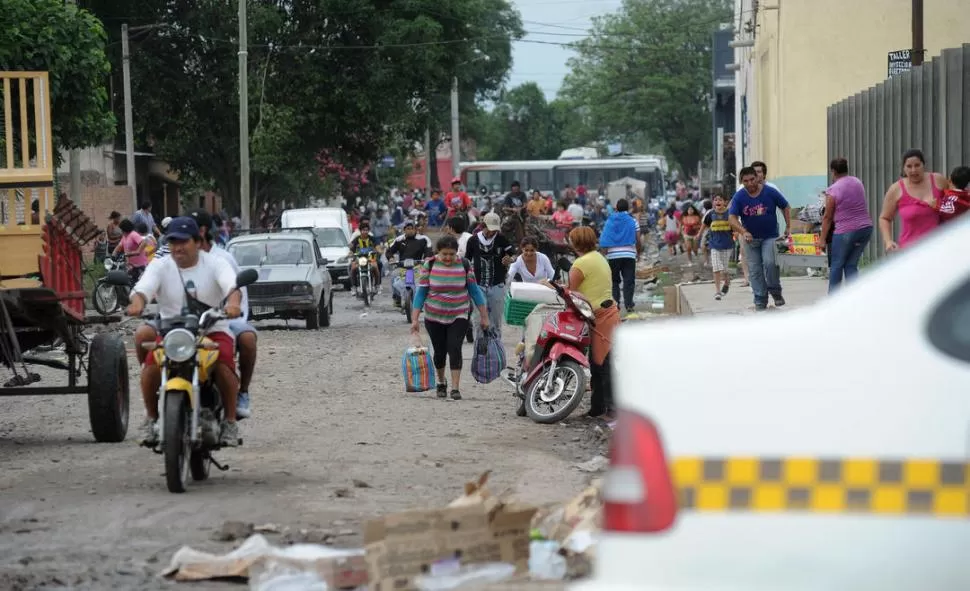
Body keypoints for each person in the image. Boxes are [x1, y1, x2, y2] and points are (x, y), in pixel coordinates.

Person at [128, 217, 243, 446]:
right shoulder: (160, 265)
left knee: (224, 365)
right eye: (172, 242)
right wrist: (137, 303)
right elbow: (143, 289)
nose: (177, 247)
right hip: (173, 332)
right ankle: (151, 418)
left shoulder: (215, 264)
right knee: (151, 366)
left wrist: (233, 304)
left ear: (198, 242)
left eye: (183, 241)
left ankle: (230, 422)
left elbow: (232, 286)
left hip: (211, 329)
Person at [187, 208, 259, 419]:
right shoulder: (177, 258)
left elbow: (236, 292)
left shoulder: (223, 259)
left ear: (203, 231)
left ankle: (242, 392)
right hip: (185, 321)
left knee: (246, 338)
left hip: (222, 320)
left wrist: (232, 311)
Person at [410, 235, 489, 401]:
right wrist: (415, 319)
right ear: (438, 252)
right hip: (433, 315)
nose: (448, 258)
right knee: (439, 352)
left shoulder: (465, 265)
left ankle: (455, 388)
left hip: (459, 313)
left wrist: (484, 316)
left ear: (456, 253)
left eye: (451, 254)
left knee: (454, 347)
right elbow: (421, 293)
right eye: (444, 254)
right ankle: (441, 382)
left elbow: (475, 291)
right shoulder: (430, 264)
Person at [563, 226, 619, 419]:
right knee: (599, 363)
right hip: (608, 313)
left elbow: (570, 291)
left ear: (575, 243)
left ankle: (610, 408)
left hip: (599, 317)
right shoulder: (598, 257)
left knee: (603, 364)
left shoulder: (579, 264)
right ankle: (599, 407)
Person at [728, 166, 791, 311]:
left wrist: (788, 226)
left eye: (752, 179)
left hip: (770, 236)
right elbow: (732, 218)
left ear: (757, 178)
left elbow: (785, 206)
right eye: (746, 181)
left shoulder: (770, 192)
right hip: (750, 239)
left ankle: (775, 292)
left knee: (770, 263)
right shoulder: (739, 196)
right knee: (755, 270)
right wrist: (743, 231)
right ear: (741, 182)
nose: (750, 183)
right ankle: (760, 300)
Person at [878, 148, 949, 251]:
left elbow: (954, 205)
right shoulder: (896, 189)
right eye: (909, 166)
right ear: (903, 168)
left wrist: (940, 206)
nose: (913, 170)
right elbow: (884, 218)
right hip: (910, 251)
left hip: (939, 247)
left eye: (917, 165)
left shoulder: (938, 180)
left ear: (923, 165)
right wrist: (888, 241)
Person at [820, 158, 873, 293]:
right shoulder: (857, 182)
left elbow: (827, 217)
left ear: (833, 171)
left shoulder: (833, 189)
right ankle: (855, 298)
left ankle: (833, 300)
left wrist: (822, 239)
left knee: (837, 264)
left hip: (846, 231)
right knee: (850, 264)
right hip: (865, 229)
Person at [465, 212, 514, 339]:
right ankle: (480, 348)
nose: (492, 233)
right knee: (479, 318)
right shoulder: (473, 241)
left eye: (494, 230)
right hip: (478, 286)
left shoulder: (502, 239)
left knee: (496, 319)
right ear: (483, 225)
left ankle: (496, 345)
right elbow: (466, 261)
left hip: (497, 284)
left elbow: (513, 255)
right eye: (489, 229)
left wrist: (510, 259)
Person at [599, 198, 640, 317]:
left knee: (614, 281)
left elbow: (605, 237)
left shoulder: (609, 221)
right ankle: (629, 304)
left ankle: (616, 304)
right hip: (629, 255)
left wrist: (605, 253)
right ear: (628, 208)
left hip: (613, 256)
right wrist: (638, 251)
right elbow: (638, 238)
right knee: (629, 280)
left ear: (616, 208)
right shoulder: (633, 221)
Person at [386, 220, 432, 307]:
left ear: (415, 229)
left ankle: (424, 300)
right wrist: (391, 258)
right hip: (402, 266)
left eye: (412, 228)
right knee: (393, 276)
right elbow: (389, 251)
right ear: (404, 230)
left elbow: (428, 250)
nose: (410, 230)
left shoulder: (423, 239)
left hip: (418, 265)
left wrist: (427, 257)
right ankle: (397, 298)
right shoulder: (399, 239)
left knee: (424, 281)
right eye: (408, 228)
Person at [704, 195, 734, 300]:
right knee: (716, 267)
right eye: (715, 200)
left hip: (727, 245)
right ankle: (717, 291)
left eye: (720, 199)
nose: (718, 201)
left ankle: (727, 280)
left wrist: (740, 234)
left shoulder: (730, 214)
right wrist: (699, 236)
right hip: (714, 245)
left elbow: (735, 226)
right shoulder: (710, 214)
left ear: (724, 202)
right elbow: (705, 225)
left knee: (724, 269)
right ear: (713, 202)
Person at [113, 218, 149, 283]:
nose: (121, 230)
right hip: (131, 266)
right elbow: (119, 246)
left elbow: (144, 242)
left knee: (139, 285)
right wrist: (112, 255)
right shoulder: (124, 236)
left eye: (121, 229)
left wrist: (137, 251)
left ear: (125, 228)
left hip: (140, 265)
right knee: (130, 284)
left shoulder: (133, 234)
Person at [349, 222, 381, 292]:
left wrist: (379, 250)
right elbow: (351, 249)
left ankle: (377, 285)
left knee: (375, 266)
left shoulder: (372, 239)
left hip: (371, 256)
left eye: (367, 230)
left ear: (368, 231)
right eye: (363, 230)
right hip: (359, 257)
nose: (365, 232)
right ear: (360, 231)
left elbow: (377, 246)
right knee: (353, 267)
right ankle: (354, 286)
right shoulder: (356, 239)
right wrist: (350, 253)